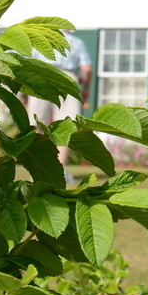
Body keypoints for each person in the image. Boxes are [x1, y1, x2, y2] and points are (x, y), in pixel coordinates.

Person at [24, 29, 93, 181]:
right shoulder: (77, 42)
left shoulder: (40, 39)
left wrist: (24, 93)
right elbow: (87, 69)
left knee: (37, 125)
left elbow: (27, 64)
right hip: (67, 78)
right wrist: (86, 88)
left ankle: (38, 169)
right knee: (66, 127)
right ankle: (59, 171)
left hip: (41, 76)